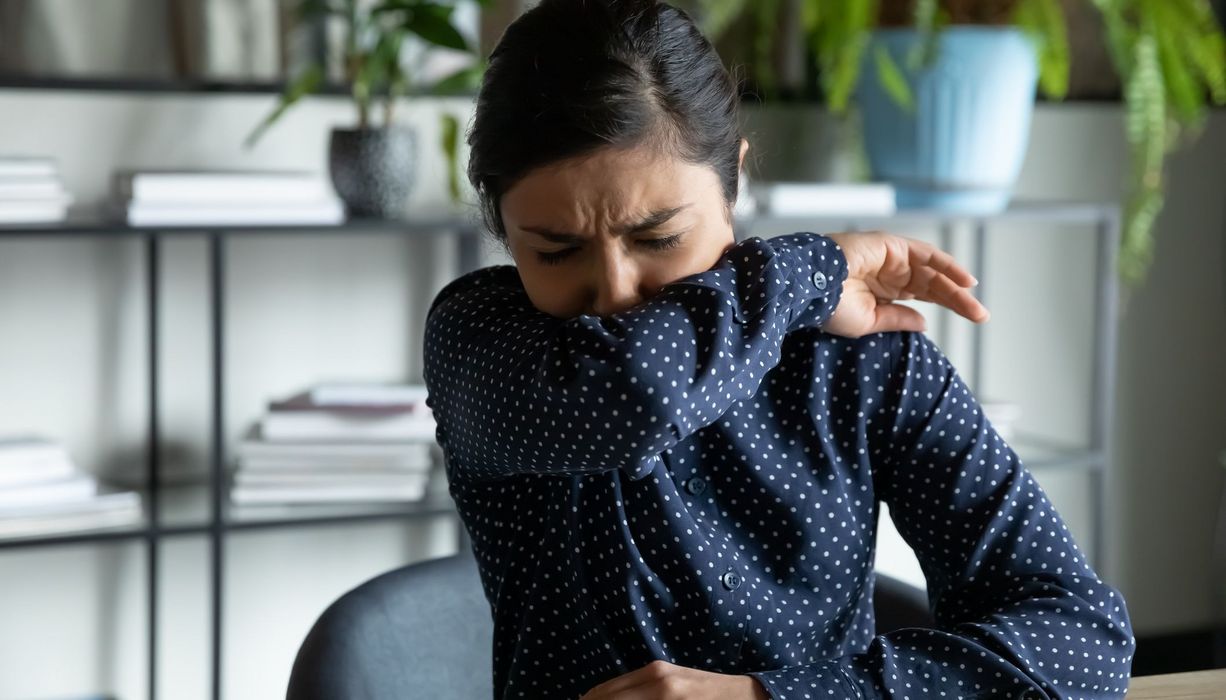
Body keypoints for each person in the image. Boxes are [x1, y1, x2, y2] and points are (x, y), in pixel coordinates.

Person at [422, 1, 1135, 697]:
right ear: (501, 225)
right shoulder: (482, 338)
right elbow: (636, 395)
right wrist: (817, 266)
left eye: (658, 238)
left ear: (735, 178)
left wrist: (773, 695)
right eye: (556, 251)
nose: (614, 292)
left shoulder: (859, 357)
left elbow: (1081, 639)